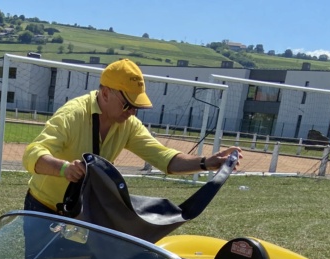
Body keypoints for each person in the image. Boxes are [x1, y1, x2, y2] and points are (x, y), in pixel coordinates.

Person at [22, 58, 241, 217]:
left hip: (85, 212)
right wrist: (65, 169)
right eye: (128, 104)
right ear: (105, 93)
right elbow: (32, 154)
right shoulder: (73, 114)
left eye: (137, 106)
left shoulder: (128, 124)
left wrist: (207, 162)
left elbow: (165, 159)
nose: (132, 112)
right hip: (44, 209)